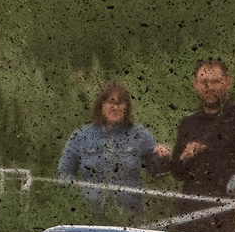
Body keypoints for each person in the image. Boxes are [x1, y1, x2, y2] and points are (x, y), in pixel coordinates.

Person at [165, 59, 235, 232]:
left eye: (215, 81)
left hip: (232, 213)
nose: (209, 87)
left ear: (227, 81)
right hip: (192, 213)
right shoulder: (189, 122)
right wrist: (184, 157)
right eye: (204, 82)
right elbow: (176, 171)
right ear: (195, 84)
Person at [57, 82, 164, 220]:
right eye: (110, 102)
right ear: (101, 105)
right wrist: (75, 198)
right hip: (90, 217)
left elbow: (157, 173)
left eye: (120, 103)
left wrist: (161, 157)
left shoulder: (140, 135)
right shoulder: (81, 135)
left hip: (130, 217)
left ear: (126, 107)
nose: (115, 107)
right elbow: (64, 172)